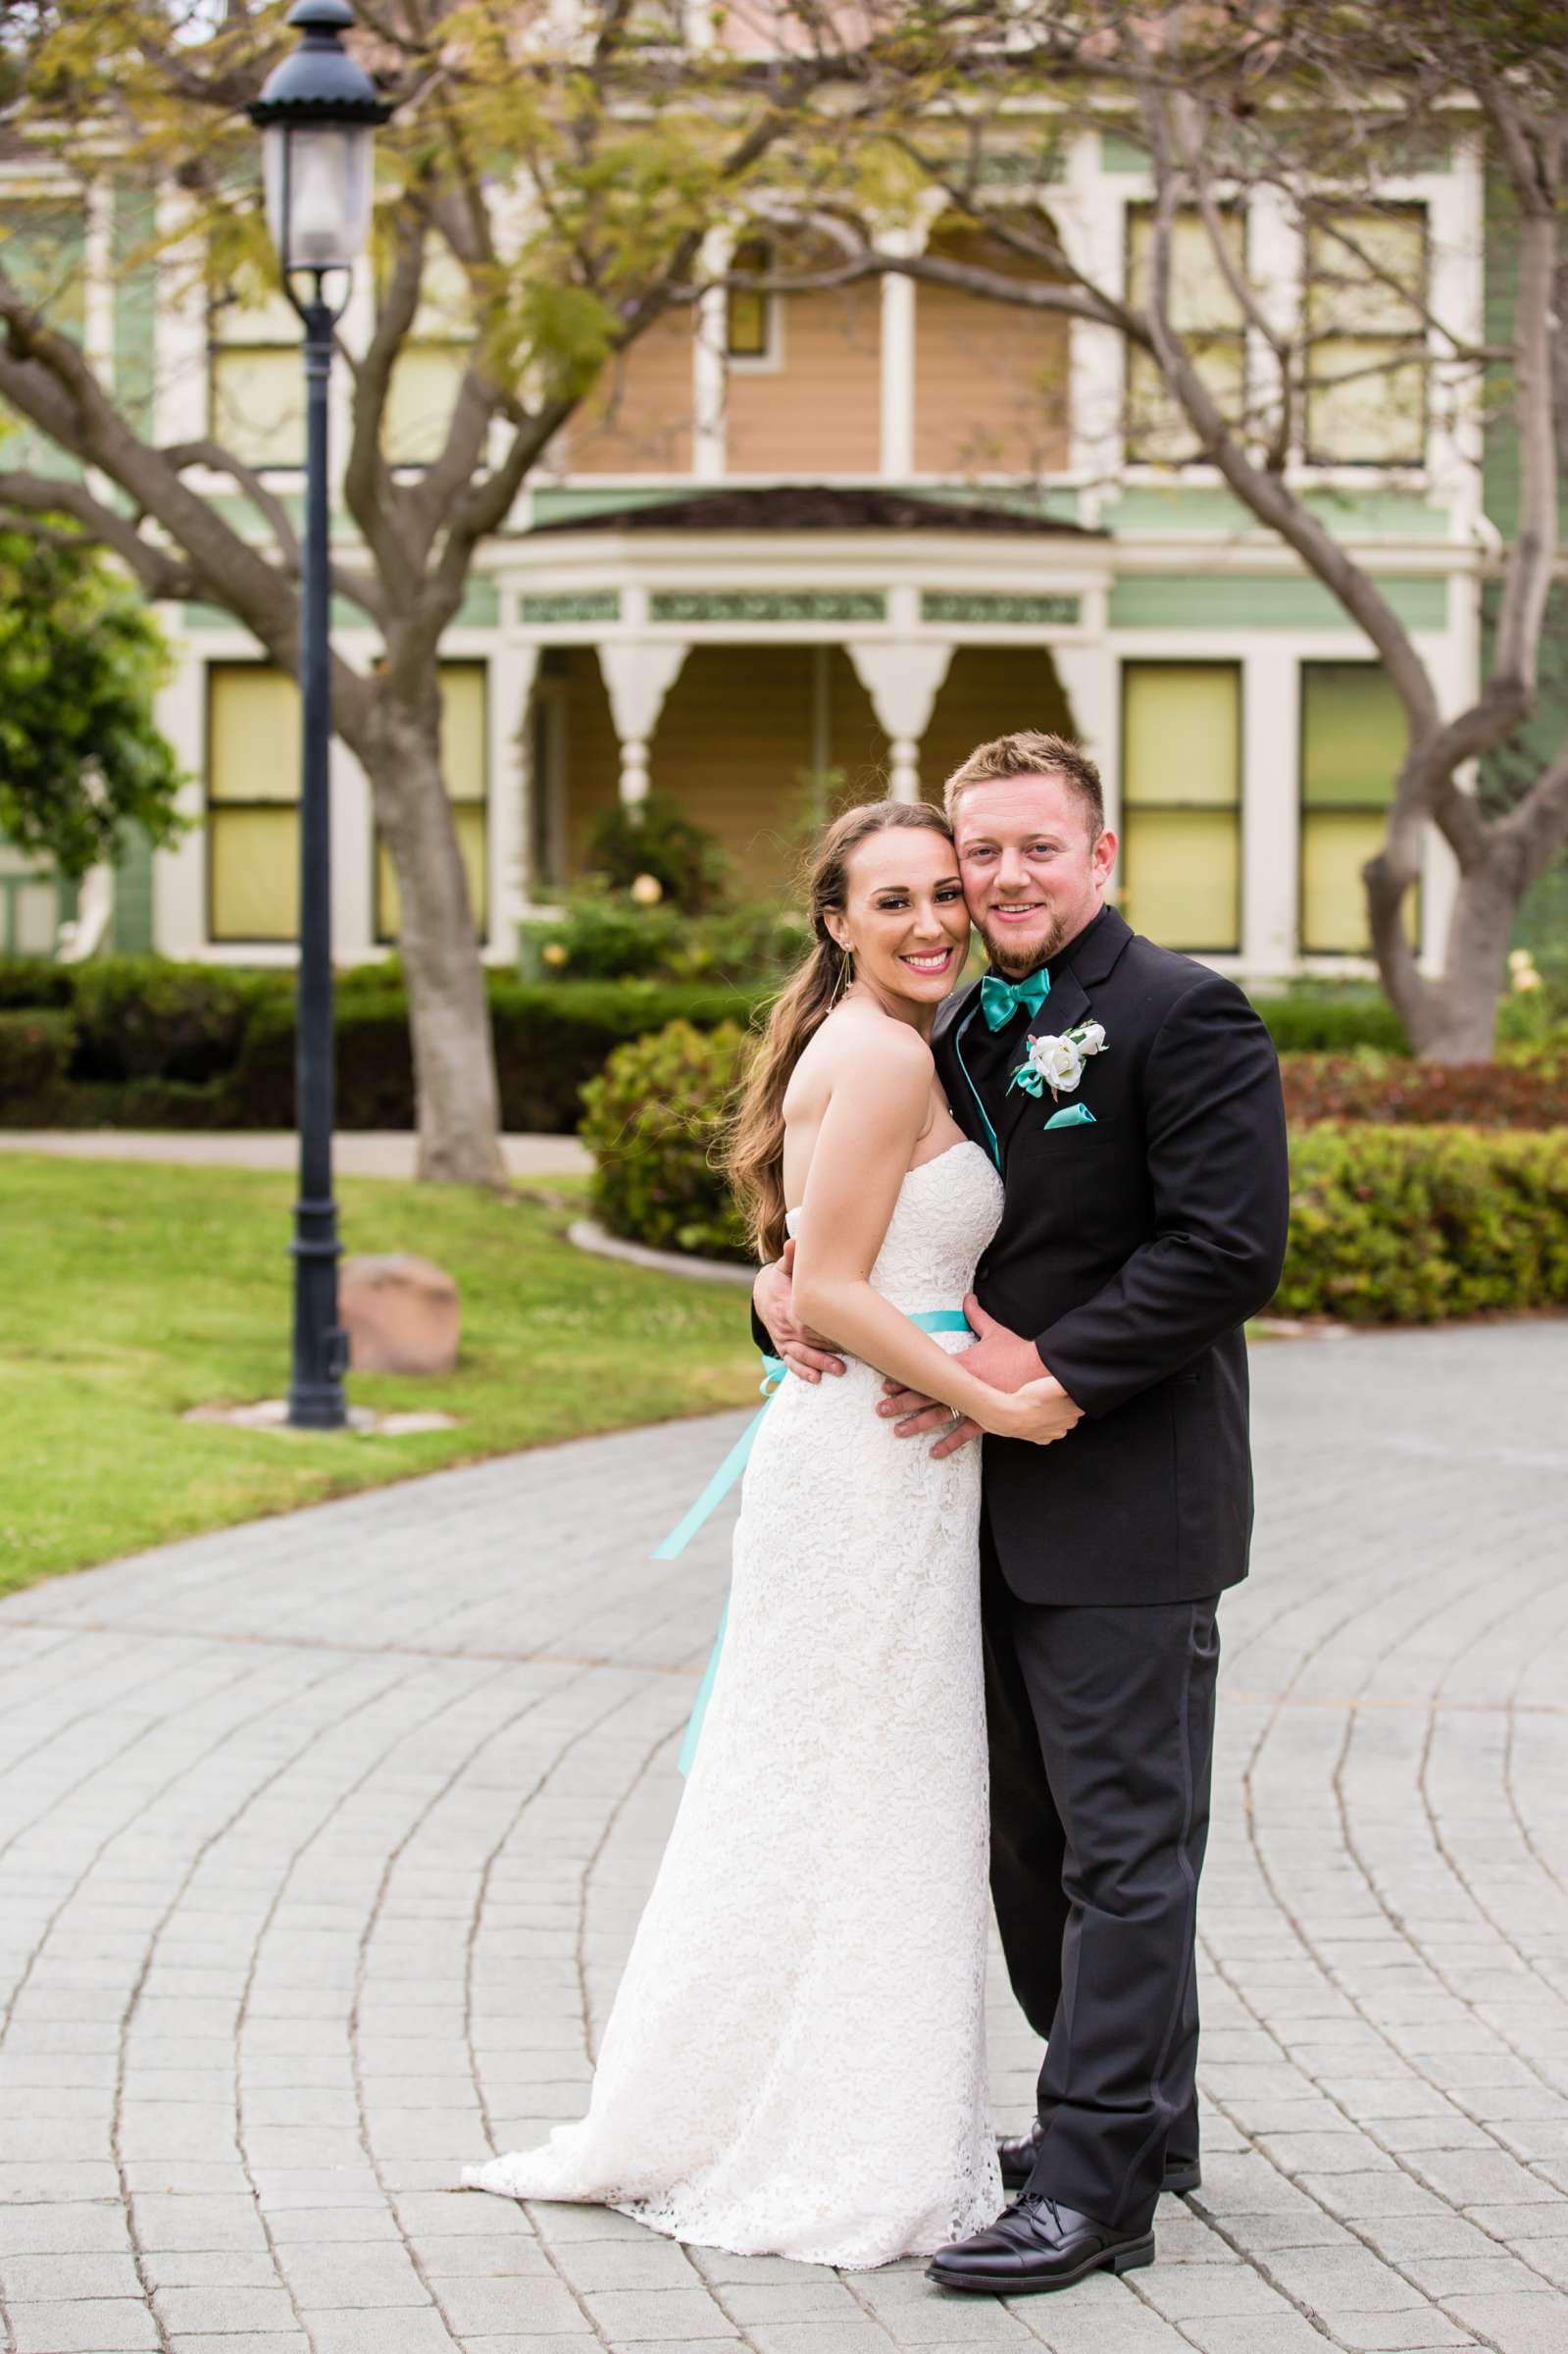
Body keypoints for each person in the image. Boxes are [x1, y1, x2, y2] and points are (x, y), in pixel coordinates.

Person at [461, 798, 1073, 2268]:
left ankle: (789, 2103)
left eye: (946, 893)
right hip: (870, 1472)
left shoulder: (897, 1042)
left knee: (852, 1786)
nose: (933, 920)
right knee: (878, 1787)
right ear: (836, 923)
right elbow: (847, 1291)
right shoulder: (873, 1050)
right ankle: (842, 2141)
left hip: (875, 1461)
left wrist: (948, 1348)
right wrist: (994, 1405)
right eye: (895, 901)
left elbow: (817, 1263)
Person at [755, 733, 1290, 2295]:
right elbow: (863, 1230)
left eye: (1033, 850)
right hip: (950, 1509)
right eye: (978, 854)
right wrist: (777, 1295)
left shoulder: (1185, 1017)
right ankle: (1138, 2118)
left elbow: (1226, 1250)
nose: (998, 881)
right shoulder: (948, 1019)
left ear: (1102, 853)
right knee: (1023, 1847)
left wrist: (1050, 1376)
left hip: (1122, 1494)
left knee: (1124, 1850)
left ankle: (1097, 2179)